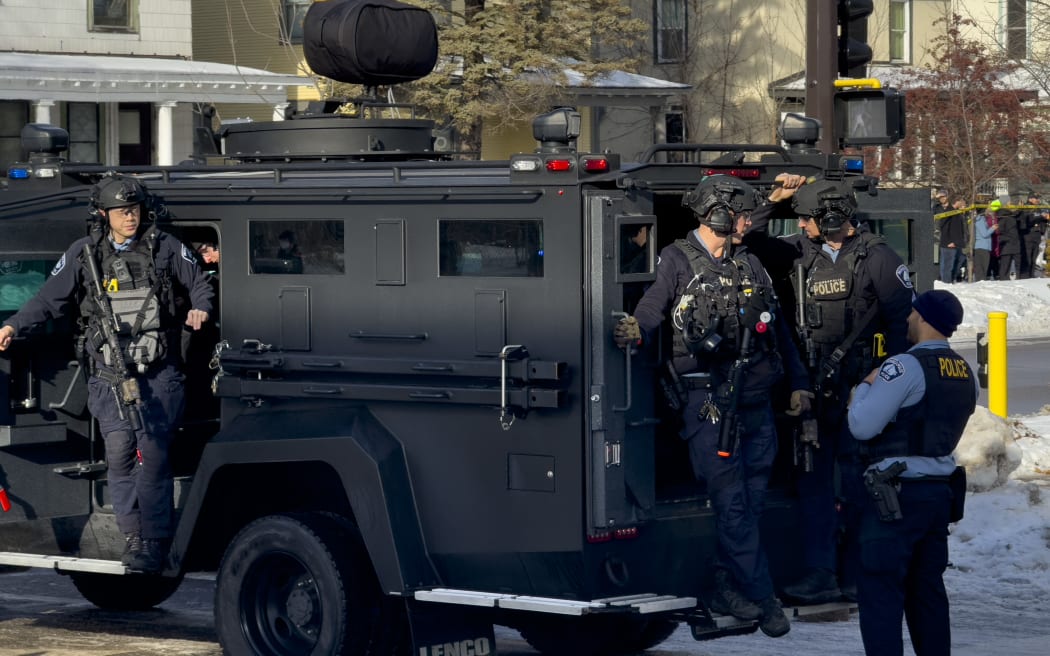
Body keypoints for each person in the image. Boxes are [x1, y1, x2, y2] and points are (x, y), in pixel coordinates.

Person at [613, 175, 811, 638]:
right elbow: (651, 308)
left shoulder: (750, 263)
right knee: (733, 504)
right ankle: (762, 599)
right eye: (742, 214)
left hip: (757, 404)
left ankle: (727, 581)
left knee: (752, 503)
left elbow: (779, 331)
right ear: (719, 214)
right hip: (709, 405)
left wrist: (799, 384)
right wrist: (635, 332)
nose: (749, 222)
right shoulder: (676, 260)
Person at [0, 173, 213, 573]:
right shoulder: (85, 254)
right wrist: (12, 326)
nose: (129, 218)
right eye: (121, 212)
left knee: (152, 456)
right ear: (104, 214)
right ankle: (133, 537)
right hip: (110, 374)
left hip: (157, 373)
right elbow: (48, 299)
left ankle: (153, 541)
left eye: (133, 210)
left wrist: (199, 308)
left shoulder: (165, 247)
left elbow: (199, 284)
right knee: (119, 456)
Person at [763, 177, 914, 606]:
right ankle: (821, 573)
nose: (803, 226)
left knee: (856, 485)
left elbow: (905, 331)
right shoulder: (799, 251)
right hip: (813, 391)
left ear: (831, 218)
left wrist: (880, 385)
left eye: (808, 218)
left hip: (860, 392)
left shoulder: (879, 259)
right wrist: (774, 201)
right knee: (813, 486)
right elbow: (750, 239)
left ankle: (855, 573)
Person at [845, 289, 977, 655]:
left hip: (895, 499)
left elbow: (862, 426)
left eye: (912, 315)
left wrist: (865, 387)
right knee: (928, 595)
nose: (907, 321)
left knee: (881, 594)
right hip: (938, 495)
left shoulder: (902, 366)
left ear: (922, 318)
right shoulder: (965, 371)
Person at [937, 197, 967, 284]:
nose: (963, 203)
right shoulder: (950, 212)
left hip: (956, 243)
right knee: (947, 265)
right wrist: (950, 241)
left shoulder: (957, 213)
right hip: (949, 243)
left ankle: (950, 280)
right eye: (962, 201)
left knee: (958, 260)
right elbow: (945, 227)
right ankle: (946, 282)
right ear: (957, 201)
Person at [1017, 192, 1047, 278]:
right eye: (1035, 198)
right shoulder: (1026, 208)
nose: (1037, 200)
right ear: (1030, 199)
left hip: (1037, 235)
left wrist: (1045, 220)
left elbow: (1041, 221)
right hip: (1028, 235)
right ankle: (1025, 276)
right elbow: (1029, 220)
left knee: (1034, 257)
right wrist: (1041, 217)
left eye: (1037, 198)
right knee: (1027, 257)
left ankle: (1031, 275)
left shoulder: (1038, 208)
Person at [973, 201, 999, 281]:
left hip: (986, 247)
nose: (988, 209)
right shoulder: (980, 220)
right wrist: (992, 228)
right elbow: (984, 234)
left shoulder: (983, 219)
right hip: (981, 247)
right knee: (981, 269)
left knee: (984, 268)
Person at [996, 203, 1022, 280]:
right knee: (1016, 265)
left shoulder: (1004, 218)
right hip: (1013, 245)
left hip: (1007, 246)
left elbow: (1000, 232)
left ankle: (1004, 279)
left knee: (1005, 266)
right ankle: (1017, 278)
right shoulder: (1010, 218)